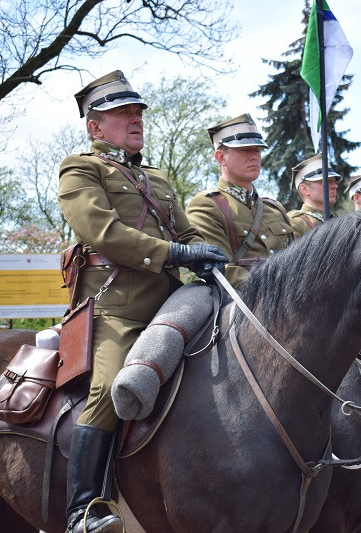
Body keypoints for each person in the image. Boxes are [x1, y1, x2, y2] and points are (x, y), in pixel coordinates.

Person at [59, 70, 227, 533]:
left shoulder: (156, 178)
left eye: (137, 113)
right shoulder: (80, 169)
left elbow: (186, 233)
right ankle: (84, 508)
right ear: (95, 127)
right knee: (110, 385)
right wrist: (176, 254)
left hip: (174, 301)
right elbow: (104, 235)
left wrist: (208, 256)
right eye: (122, 113)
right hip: (118, 308)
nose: (135, 120)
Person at [186, 114, 293, 287]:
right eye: (245, 149)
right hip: (241, 302)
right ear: (221, 157)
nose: (254, 156)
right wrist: (277, 288)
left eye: (257, 150)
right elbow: (221, 270)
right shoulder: (207, 205)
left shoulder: (275, 208)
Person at [287, 153, 341, 238]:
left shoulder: (339, 221)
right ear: (304, 189)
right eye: (326, 181)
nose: (335, 186)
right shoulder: (296, 223)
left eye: (334, 181)